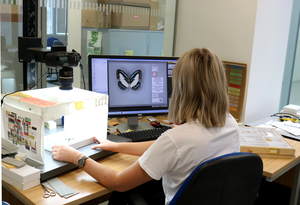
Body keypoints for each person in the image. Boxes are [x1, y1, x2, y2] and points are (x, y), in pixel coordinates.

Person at [51, 48, 241, 205]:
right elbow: (164, 148)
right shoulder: (231, 124)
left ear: (181, 88)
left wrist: (77, 157)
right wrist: (115, 145)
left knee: (120, 196)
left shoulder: (177, 139)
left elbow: (118, 182)